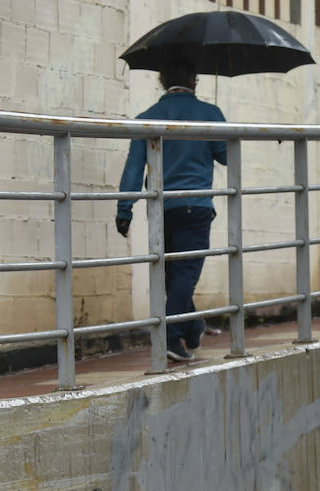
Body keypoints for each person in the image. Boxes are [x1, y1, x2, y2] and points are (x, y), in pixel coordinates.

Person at [116, 60, 227, 362]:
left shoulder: (147, 118)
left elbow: (134, 168)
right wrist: (217, 126)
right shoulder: (210, 114)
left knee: (171, 276)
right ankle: (171, 336)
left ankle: (193, 328)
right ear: (195, 81)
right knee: (186, 274)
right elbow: (226, 156)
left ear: (163, 81)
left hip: (161, 209)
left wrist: (124, 208)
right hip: (197, 206)